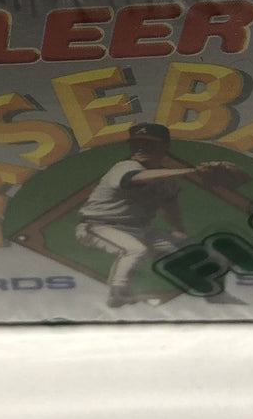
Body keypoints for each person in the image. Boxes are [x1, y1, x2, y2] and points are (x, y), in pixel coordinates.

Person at [76, 122, 237, 308]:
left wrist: (178, 229)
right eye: (136, 143)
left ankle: (216, 295)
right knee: (135, 250)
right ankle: (118, 294)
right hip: (98, 226)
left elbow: (169, 205)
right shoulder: (125, 166)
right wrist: (191, 170)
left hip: (139, 230)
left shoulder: (166, 180)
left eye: (148, 143)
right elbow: (134, 178)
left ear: (165, 146)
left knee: (206, 254)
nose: (140, 148)